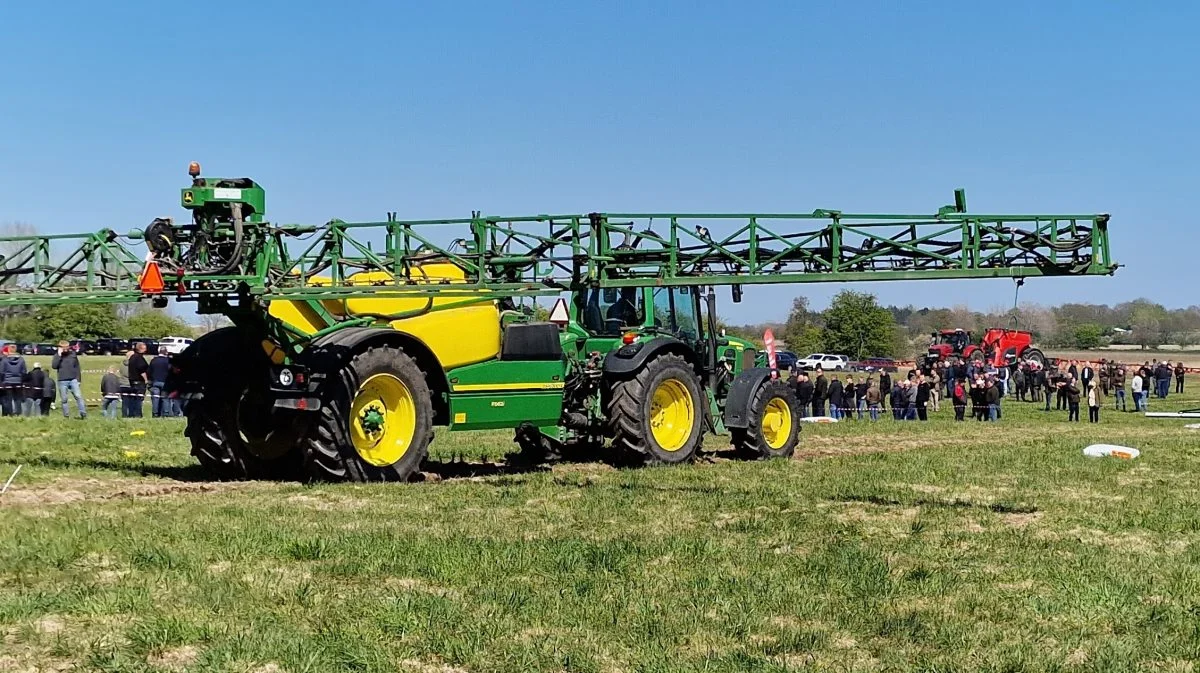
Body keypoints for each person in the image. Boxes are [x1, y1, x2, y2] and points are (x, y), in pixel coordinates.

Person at [52, 341, 86, 419]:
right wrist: (59, 355)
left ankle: (83, 413)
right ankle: (66, 415)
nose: (65, 349)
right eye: (63, 347)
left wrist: (78, 379)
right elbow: (54, 366)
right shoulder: (57, 356)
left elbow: (77, 367)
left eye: (66, 347)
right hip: (62, 380)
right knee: (64, 399)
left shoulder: (73, 355)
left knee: (78, 396)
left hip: (73, 379)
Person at [0, 345, 26, 416]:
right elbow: (24, 371)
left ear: (8, 350)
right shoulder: (21, 359)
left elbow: (1, 371)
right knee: (17, 399)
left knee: (9, 399)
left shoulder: (4, 360)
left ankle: (10, 413)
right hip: (18, 381)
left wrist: (2, 380)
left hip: (7, 381)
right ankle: (18, 413)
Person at [127, 342, 150, 418]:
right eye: (145, 348)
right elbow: (142, 370)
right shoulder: (139, 358)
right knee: (139, 399)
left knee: (133, 399)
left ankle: (132, 414)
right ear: (141, 348)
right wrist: (146, 379)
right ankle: (138, 414)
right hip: (139, 382)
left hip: (132, 381)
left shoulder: (132, 357)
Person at [149, 346, 172, 417]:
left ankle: (155, 413)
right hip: (165, 382)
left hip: (155, 381)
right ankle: (165, 413)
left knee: (155, 398)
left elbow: (149, 371)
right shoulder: (168, 361)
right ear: (166, 352)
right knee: (165, 398)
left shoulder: (153, 360)